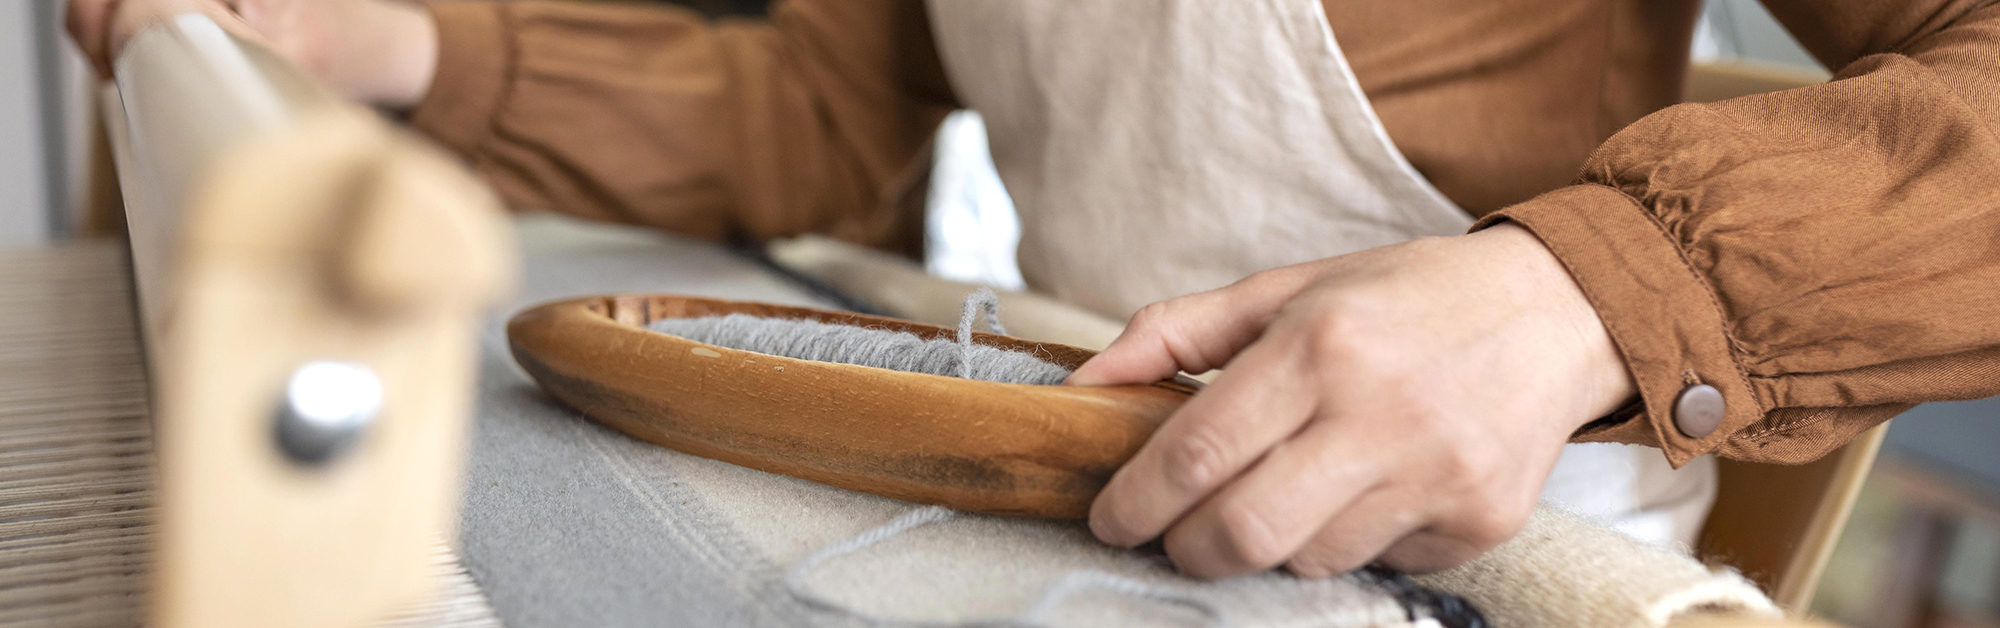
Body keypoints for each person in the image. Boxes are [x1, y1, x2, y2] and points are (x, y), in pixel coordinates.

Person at [70, 0, 2000, 579]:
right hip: (1077, 480)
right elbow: (826, 104)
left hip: (1481, 562)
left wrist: (1583, 296)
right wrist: (396, 50)